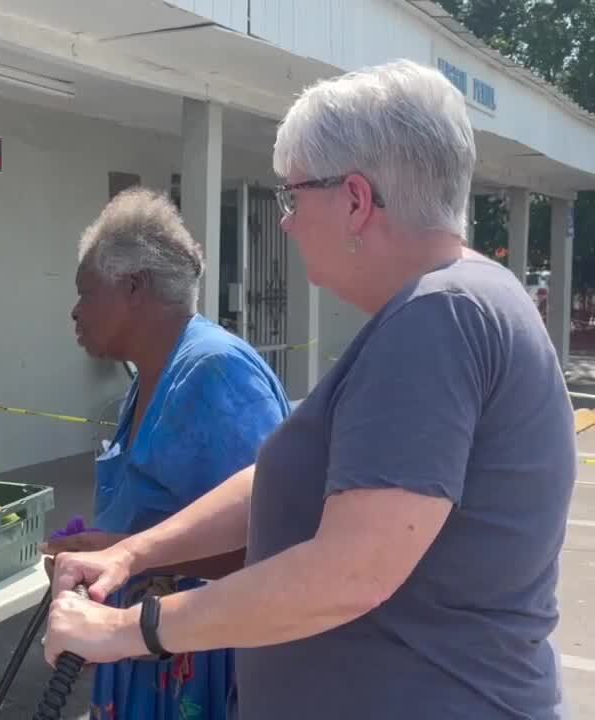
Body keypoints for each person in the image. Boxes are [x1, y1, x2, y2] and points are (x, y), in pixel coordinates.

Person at [44, 59, 575, 719]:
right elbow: (279, 476)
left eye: (294, 197)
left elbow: (350, 573)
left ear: (355, 200)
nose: (287, 223)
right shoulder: (444, 306)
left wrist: (131, 630)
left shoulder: (439, 317)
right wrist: (133, 552)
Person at [42, 187, 290, 720]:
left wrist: (122, 552)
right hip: (146, 653)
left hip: (201, 666)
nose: (75, 311)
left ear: (134, 288)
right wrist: (104, 560)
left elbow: (273, 542)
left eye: (87, 292)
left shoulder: (217, 372)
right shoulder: (152, 374)